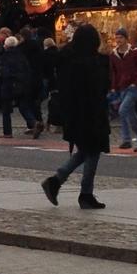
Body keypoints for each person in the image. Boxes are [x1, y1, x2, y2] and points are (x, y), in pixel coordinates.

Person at [41, 23, 111, 210]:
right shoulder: (93, 62)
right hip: (92, 113)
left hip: (73, 114)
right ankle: (85, 193)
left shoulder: (67, 58)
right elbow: (102, 86)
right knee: (93, 150)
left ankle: (56, 181)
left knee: (85, 151)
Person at [108, 28, 137, 152]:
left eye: (120, 38)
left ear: (126, 39)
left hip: (133, 88)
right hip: (122, 87)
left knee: (122, 110)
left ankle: (126, 140)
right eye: (117, 38)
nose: (118, 40)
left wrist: (136, 83)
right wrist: (114, 87)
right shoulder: (113, 54)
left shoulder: (134, 52)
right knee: (131, 116)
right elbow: (114, 72)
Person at [0, 35, 40, 138]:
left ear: (6, 45)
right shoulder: (21, 55)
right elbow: (28, 70)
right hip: (22, 84)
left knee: (6, 110)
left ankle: (7, 132)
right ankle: (33, 122)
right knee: (23, 106)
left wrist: (1, 80)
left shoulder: (5, 57)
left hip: (8, 85)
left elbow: (3, 73)